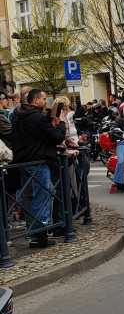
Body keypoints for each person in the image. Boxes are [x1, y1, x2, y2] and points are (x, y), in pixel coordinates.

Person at [12, 89, 67, 248]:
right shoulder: (37, 117)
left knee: (37, 195)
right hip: (37, 162)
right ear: (35, 100)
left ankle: (37, 233)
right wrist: (60, 123)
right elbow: (57, 137)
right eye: (44, 98)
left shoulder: (20, 116)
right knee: (41, 197)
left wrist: (52, 126)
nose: (46, 102)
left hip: (25, 162)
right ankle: (38, 235)